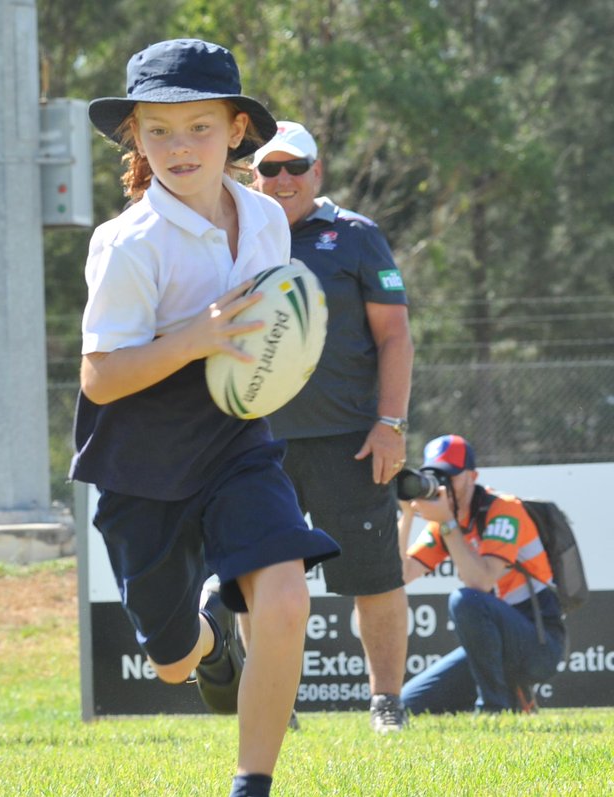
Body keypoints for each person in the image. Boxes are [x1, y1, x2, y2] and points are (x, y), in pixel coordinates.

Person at [73, 39, 340, 797]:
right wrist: (192, 338)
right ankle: (210, 638)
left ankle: (252, 781)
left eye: (198, 126)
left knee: (287, 596)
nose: (178, 145)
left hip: (233, 438)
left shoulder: (263, 218)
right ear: (136, 138)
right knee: (173, 662)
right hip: (139, 455)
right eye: (158, 129)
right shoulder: (127, 245)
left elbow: (270, 335)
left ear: (236, 130)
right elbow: (99, 377)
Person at [250, 121, 415, 733]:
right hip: (256, 442)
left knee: (373, 577)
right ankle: (275, 705)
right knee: (259, 578)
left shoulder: (357, 236)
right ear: (253, 176)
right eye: (270, 168)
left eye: (296, 166)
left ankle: (386, 705)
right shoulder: (233, 233)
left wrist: (390, 424)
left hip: (352, 441)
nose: (283, 178)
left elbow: (395, 336)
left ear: (317, 172)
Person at [398, 434, 567, 714]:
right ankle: (515, 694)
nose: (442, 484)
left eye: (449, 475)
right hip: (494, 647)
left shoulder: (504, 509)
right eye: (434, 475)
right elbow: (400, 575)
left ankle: (494, 706)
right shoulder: (445, 522)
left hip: (540, 643)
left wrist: (448, 524)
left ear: (472, 476)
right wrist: (405, 515)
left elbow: (481, 582)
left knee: (465, 600)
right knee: (407, 704)